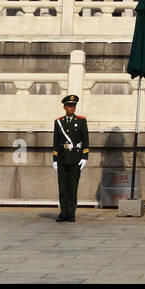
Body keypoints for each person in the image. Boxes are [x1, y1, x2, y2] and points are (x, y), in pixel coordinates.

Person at [53, 93, 90, 222]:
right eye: (69, 106)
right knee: (62, 187)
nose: (71, 108)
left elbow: (85, 139)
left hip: (76, 158)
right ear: (64, 107)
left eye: (73, 106)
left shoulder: (80, 121)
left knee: (72, 187)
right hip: (63, 158)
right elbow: (56, 141)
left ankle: (71, 213)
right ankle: (63, 213)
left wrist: (85, 156)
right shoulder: (59, 122)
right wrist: (55, 159)